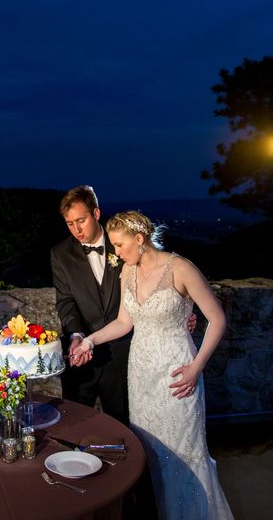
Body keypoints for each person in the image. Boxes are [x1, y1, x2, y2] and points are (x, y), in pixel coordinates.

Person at [73, 210, 234, 520]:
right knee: (150, 454)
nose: (116, 253)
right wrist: (90, 341)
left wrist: (196, 368)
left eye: (120, 245)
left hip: (178, 374)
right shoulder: (127, 273)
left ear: (139, 239)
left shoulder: (181, 268)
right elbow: (123, 322)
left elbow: (217, 320)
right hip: (141, 376)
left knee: (186, 453)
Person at [51, 185, 196, 425]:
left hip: (124, 353)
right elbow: (65, 301)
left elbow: (159, 279)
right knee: (73, 425)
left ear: (96, 214)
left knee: (124, 426)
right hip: (81, 356)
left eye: (81, 220)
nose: (76, 229)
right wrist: (77, 334)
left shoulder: (123, 240)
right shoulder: (60, 253)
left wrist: (183, 312)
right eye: (69, 223)